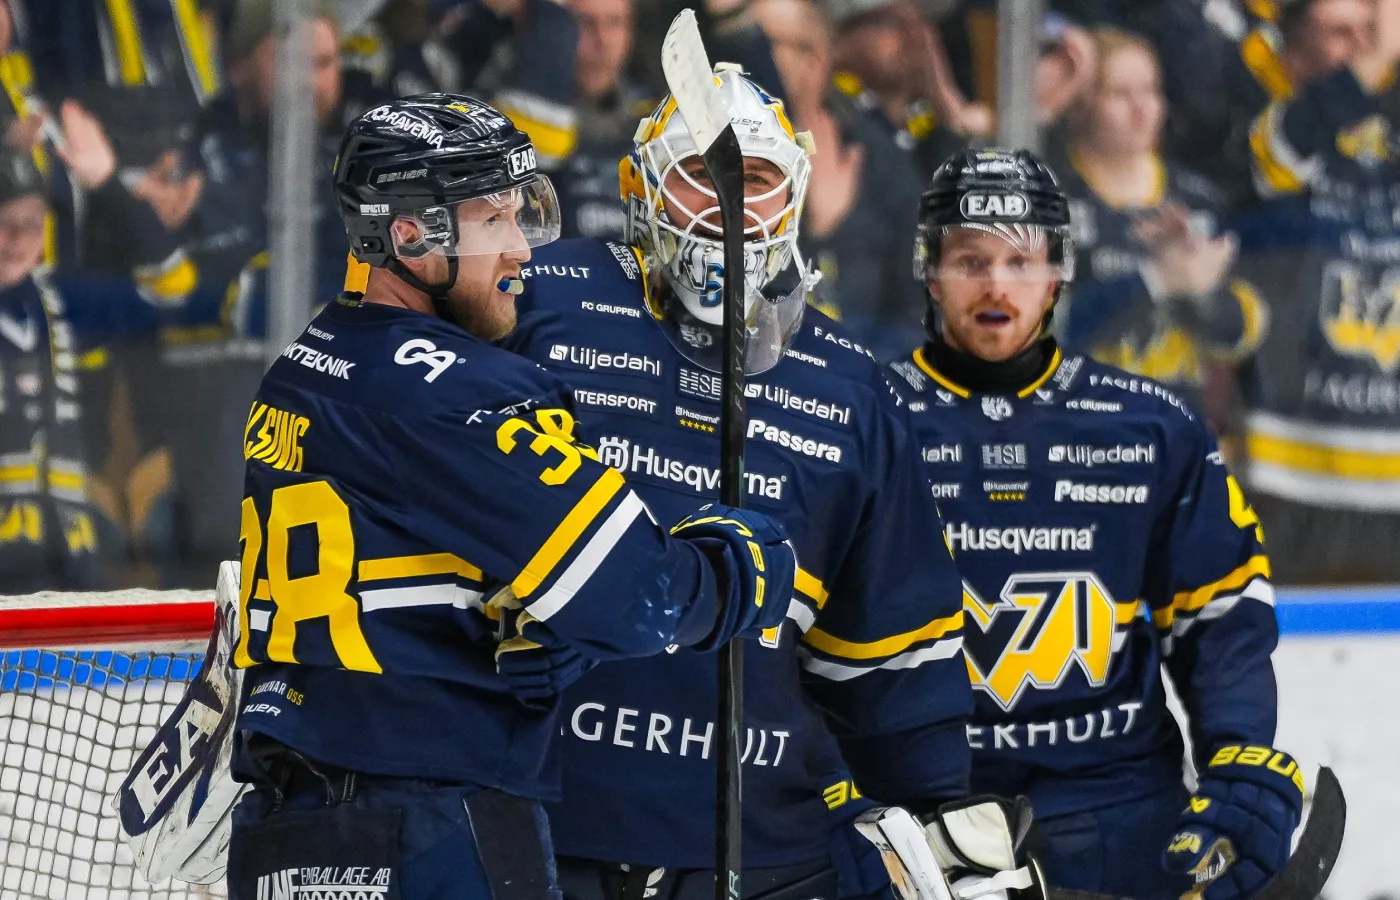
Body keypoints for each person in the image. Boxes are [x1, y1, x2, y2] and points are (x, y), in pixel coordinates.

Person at [223, 93, 797, 900]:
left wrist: (540, 628)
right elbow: (637, 598)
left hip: (283, 832)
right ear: (411, 236)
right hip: (428, 827)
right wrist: (739, 567)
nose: (522, 248)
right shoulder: (465, 392)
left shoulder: (300, 370)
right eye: (495, 220)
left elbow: (422, 574)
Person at [499, 65, 1039, 900]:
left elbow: (892, 658)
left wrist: (940, 819)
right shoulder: (536, 302)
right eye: (700, 174)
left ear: (794, 197)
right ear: (641, 189)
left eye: (754, 181)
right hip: (528, 819)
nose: (728, 203)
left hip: (753, 849)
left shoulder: (849, 385)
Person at [884, 148, 1300, 900]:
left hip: (1120, 811)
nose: (996, 285)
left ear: (1058, 272)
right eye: (971, 260)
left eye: (1020, 261)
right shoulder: (865, 422)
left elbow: (1220, 616)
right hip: (920, 816)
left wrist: (1238, 757)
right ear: (930, 271)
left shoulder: (1153, 425)